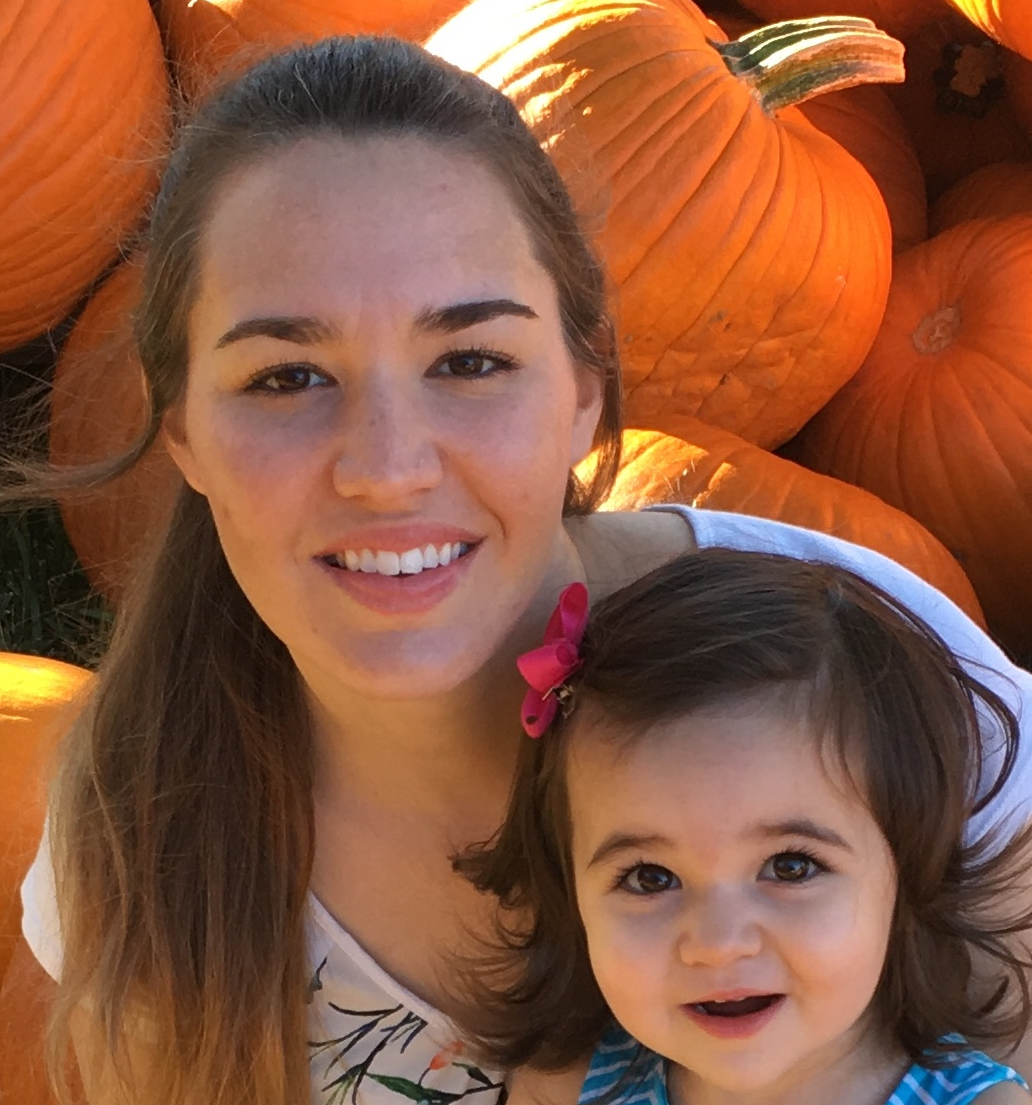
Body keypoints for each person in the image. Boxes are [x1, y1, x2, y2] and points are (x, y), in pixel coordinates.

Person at [3, 32, 1031, 1105]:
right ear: (181, 432)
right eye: (287, 377)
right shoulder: (139, 844)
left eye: (470, 360)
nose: (387, 468)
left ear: (586, 388)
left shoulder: (853, 679)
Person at [455, 549, 1032, 1105]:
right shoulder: (570, 1086)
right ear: (571, 895)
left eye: (791, 867)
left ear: (905, 869)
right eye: (650, 878)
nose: (718, 944)